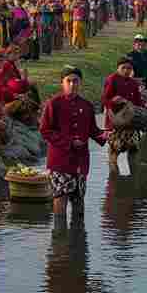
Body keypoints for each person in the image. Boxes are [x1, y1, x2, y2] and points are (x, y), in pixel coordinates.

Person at [40, 67, 100, 217]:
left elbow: (93, 130)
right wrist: (69, 143)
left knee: (79, 200)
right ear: (62, 83)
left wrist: (106, 135)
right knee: (61, 199)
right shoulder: (53, 104)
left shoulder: (87, 106)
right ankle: (59, 235)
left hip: (81, 162)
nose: (72, 84)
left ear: (81, 83)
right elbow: (45, 130)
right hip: (60, 161)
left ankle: (78, 237)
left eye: (76, 81)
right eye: (69, 81)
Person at [102, 56, 147, 169]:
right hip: (115, 121)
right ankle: (113, 177)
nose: (126, 71)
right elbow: (104, 100)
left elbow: (138, 102)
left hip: (131, 122)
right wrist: (113, 101)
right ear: (118, 68)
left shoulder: (133, 83)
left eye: (129, 68)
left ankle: (133, 176)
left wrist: (145, 110)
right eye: (123, 68)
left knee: (133, 149)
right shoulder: (112, 79)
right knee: (114, 151)